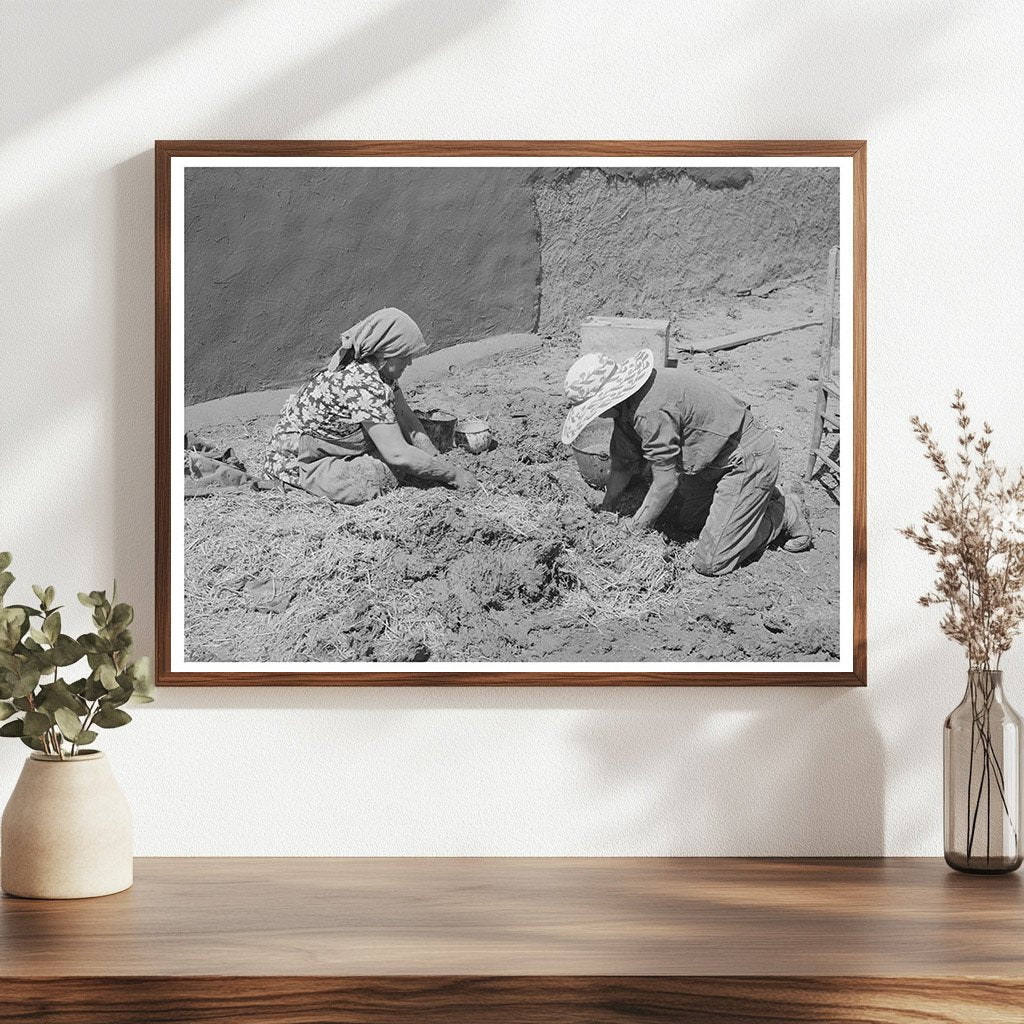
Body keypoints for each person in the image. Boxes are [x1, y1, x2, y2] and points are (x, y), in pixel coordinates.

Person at [561, 349, 811, 576]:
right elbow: (623, 464)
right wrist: (608, 509)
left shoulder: (649, 411)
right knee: (681, 520)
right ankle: (751, 502)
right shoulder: (627, 407)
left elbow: (665, 482)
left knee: (711, 561)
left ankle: (783, 512)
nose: (596, 415)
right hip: (710, 463)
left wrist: (634, 530)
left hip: (746, 459)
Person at [264, 307, 477, 504]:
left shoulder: (381, 372)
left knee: (409, 447)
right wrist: (452, 474)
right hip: (304, 461)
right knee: (383, 472)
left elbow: (406, 418)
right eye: (405, 356)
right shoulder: (362, 384)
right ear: (386, 354)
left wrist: (435, 458)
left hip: (338, 443)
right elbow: (397, 454)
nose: (410, 362)